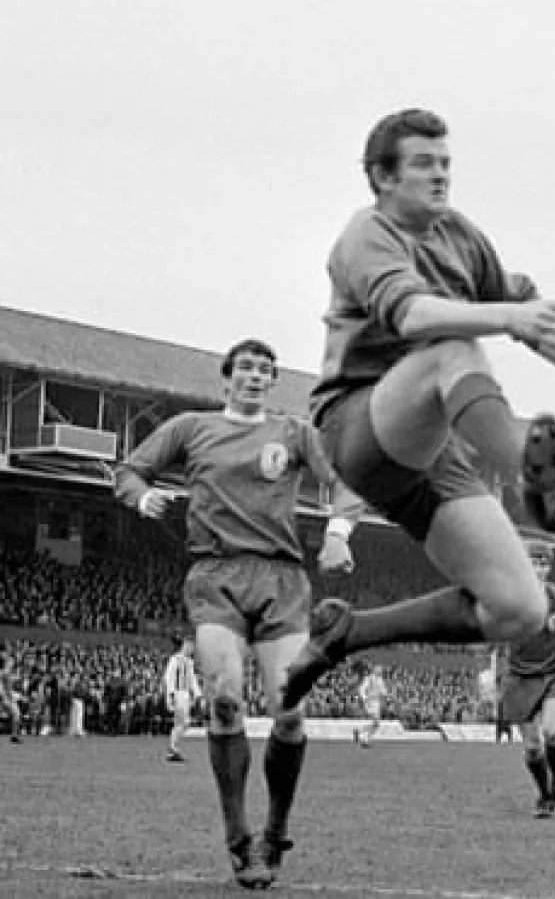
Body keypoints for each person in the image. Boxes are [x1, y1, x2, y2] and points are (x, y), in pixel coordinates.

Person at [280, 107, 555, 708]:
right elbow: (415, 315)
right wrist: (506, 317)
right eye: (424, 164)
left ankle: (351, 632)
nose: (441, 175)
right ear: (383, 177)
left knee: (520, 609)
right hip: (356, 425)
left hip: (430, 449)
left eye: (446, 163)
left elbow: (537, 320)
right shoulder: (365, 235)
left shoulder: (461, 236)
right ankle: (525, 470)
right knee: (450, 347)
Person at [115, 338, 363, 889]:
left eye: (266, 370)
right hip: (215, 575)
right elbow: (130, 470)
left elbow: (343, 480)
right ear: (227, 377)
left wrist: (339, 533)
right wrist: (140, 497)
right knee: (224, 700)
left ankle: (275, 831)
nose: (256, 376)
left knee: (290, 711)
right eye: (247, 368)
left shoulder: (294, 433)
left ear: (272, 383)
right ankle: (239, 839)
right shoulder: (190, 428)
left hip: (281, 578)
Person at [498, 541, 555, 818]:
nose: (539, 569)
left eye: (544, 563)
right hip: (519, 677)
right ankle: (544, 794)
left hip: (554, 673)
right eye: (533, 562)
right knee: (531, 746)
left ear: (549, 567)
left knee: (551, 731)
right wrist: (486, 672)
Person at [162, 636, 202, 763]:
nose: (192, 649)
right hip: (178, 694)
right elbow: (168, 677)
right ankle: (172, 749)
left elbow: (192, 679)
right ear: (184, 645)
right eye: (190, 646)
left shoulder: (189, 662)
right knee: (183, 722)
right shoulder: (175, 659)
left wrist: (197, 695)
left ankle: (172, 749)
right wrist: (171, 694)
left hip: (185, 695)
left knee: (181, 723)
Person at [354, 664, 389, 748]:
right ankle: (364, 739)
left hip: (377, 702)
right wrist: (364, 698)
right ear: (375, 670)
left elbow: (383, 692)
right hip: (370, 701)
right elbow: (362, 689)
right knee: (376, 721)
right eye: (379, 670)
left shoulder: (380, 680)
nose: (380, 671)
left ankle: (361, 733)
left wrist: (387, 699)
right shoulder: (369, 678)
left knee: (376, 724)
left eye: (381, 670)